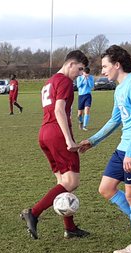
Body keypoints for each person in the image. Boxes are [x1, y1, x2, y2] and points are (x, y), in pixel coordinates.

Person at [78, 45, 131, 253]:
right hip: (124, 147)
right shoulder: (120, 88)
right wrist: (93, 141)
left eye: (105, 66)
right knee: (106, 188)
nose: (103, 71)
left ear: (117, 65)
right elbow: (116, 120)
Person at [20, 51, 89, 240]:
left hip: (44, 133)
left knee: (63, 183)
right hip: (57, 133)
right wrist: (69, 139)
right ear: (71, 64)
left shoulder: (49, 81)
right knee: (72, 182)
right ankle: (33, 213)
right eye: (80, 69)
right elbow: (59, 109)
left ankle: (70, 228)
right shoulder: (65, 81)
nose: (80, 74)